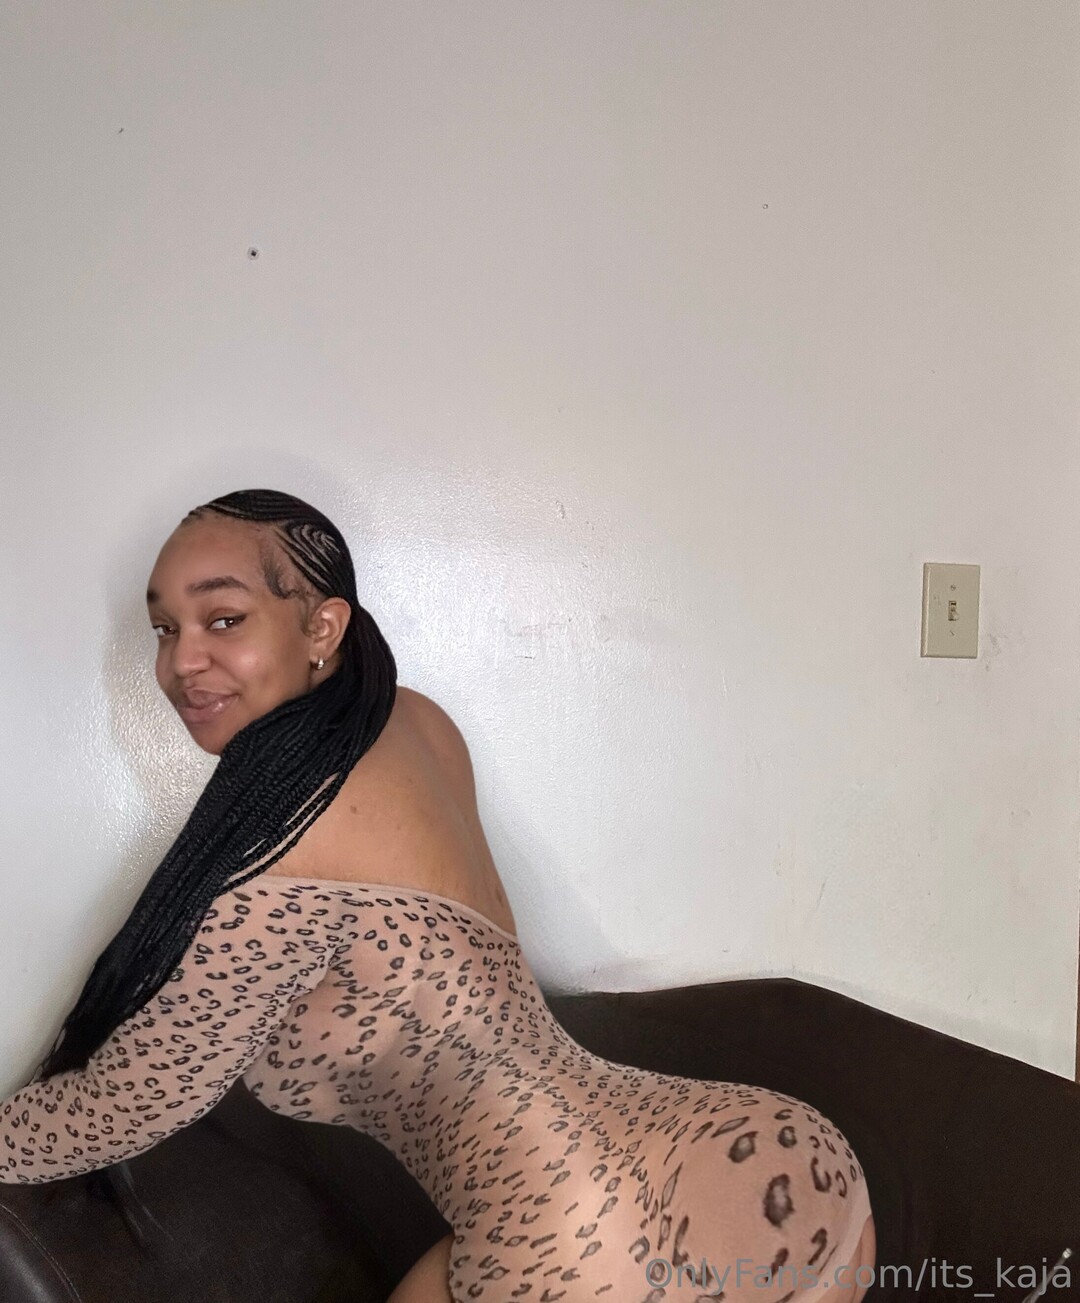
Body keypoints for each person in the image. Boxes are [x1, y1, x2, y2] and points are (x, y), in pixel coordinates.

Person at [0, 488, 876, 1303]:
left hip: (580, 1242)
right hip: (766, 1151)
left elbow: (118, 1104)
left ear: (323, 625)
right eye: (164, 628)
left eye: (223, 618)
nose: (182, 660)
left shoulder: (275, 875)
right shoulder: (416, 722)